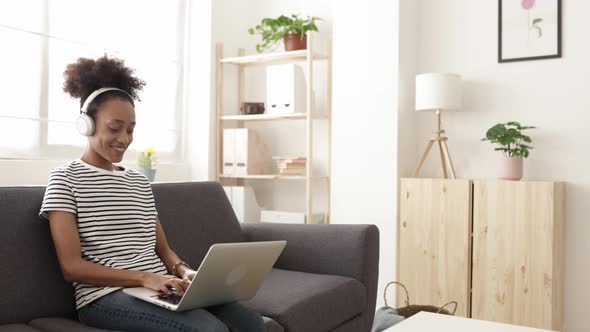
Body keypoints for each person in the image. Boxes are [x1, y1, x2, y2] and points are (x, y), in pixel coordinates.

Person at [39, 55, 265, 332]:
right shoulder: (65, 178)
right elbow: (71, 267)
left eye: (131, 130)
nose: (124, 138)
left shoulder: (138, 181)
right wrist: (145, 278)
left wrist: (186, 272)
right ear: (86, 124)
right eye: (114, 128)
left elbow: (163, 250)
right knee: (210, 330)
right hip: (103, 297)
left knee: (250, 323)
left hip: (158, 287)